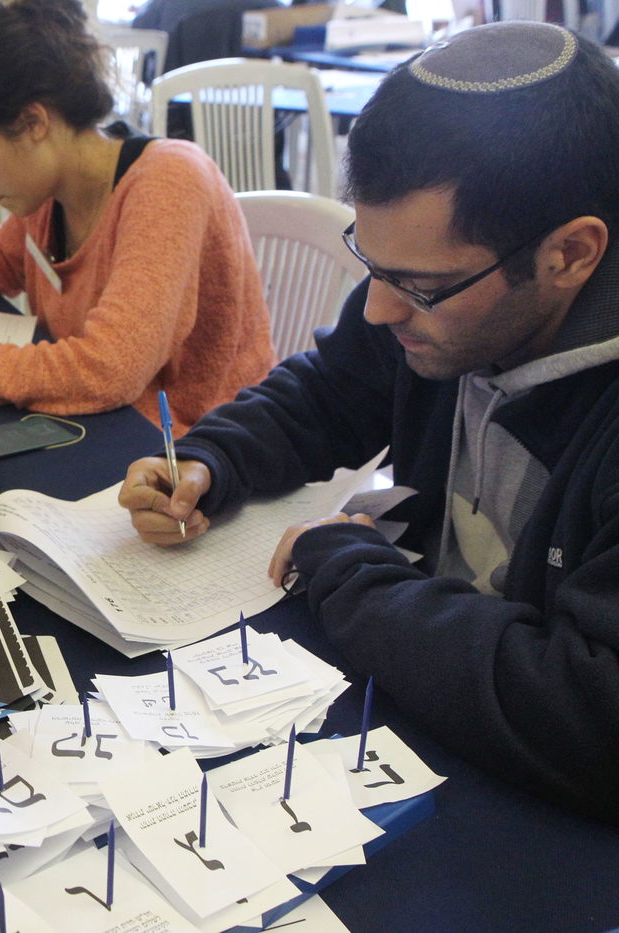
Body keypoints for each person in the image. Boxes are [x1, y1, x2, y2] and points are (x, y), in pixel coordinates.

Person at [118, 22, 619, 822]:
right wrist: (213, 458)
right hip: (432, 694)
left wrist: (347, 565)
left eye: (417, 285)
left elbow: (591, 716)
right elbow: (329, 391)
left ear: (570, 254)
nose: (380, 308)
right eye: (370, 263)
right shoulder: (441, 302)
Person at [0, 0, 275, 432]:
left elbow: (109, 369)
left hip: (201, 448)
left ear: (34, 123)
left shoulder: (169, 182)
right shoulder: (51, 192)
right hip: (112, 424)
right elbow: (5, 260)